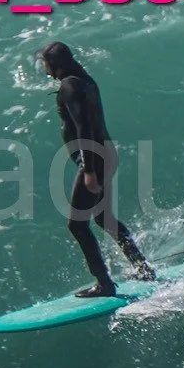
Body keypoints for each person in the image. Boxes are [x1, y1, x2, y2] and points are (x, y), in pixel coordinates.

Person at [39, 41, 155, 296]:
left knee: (77, 225)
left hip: (94, 159)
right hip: (105, 154)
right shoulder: (84, 80)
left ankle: (104, 284)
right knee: (104, 218)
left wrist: (89, 170)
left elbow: (84, 129)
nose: (44, 68)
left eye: (45, 63)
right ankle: (142, 268)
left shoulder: (70, 86)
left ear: (54, 64)